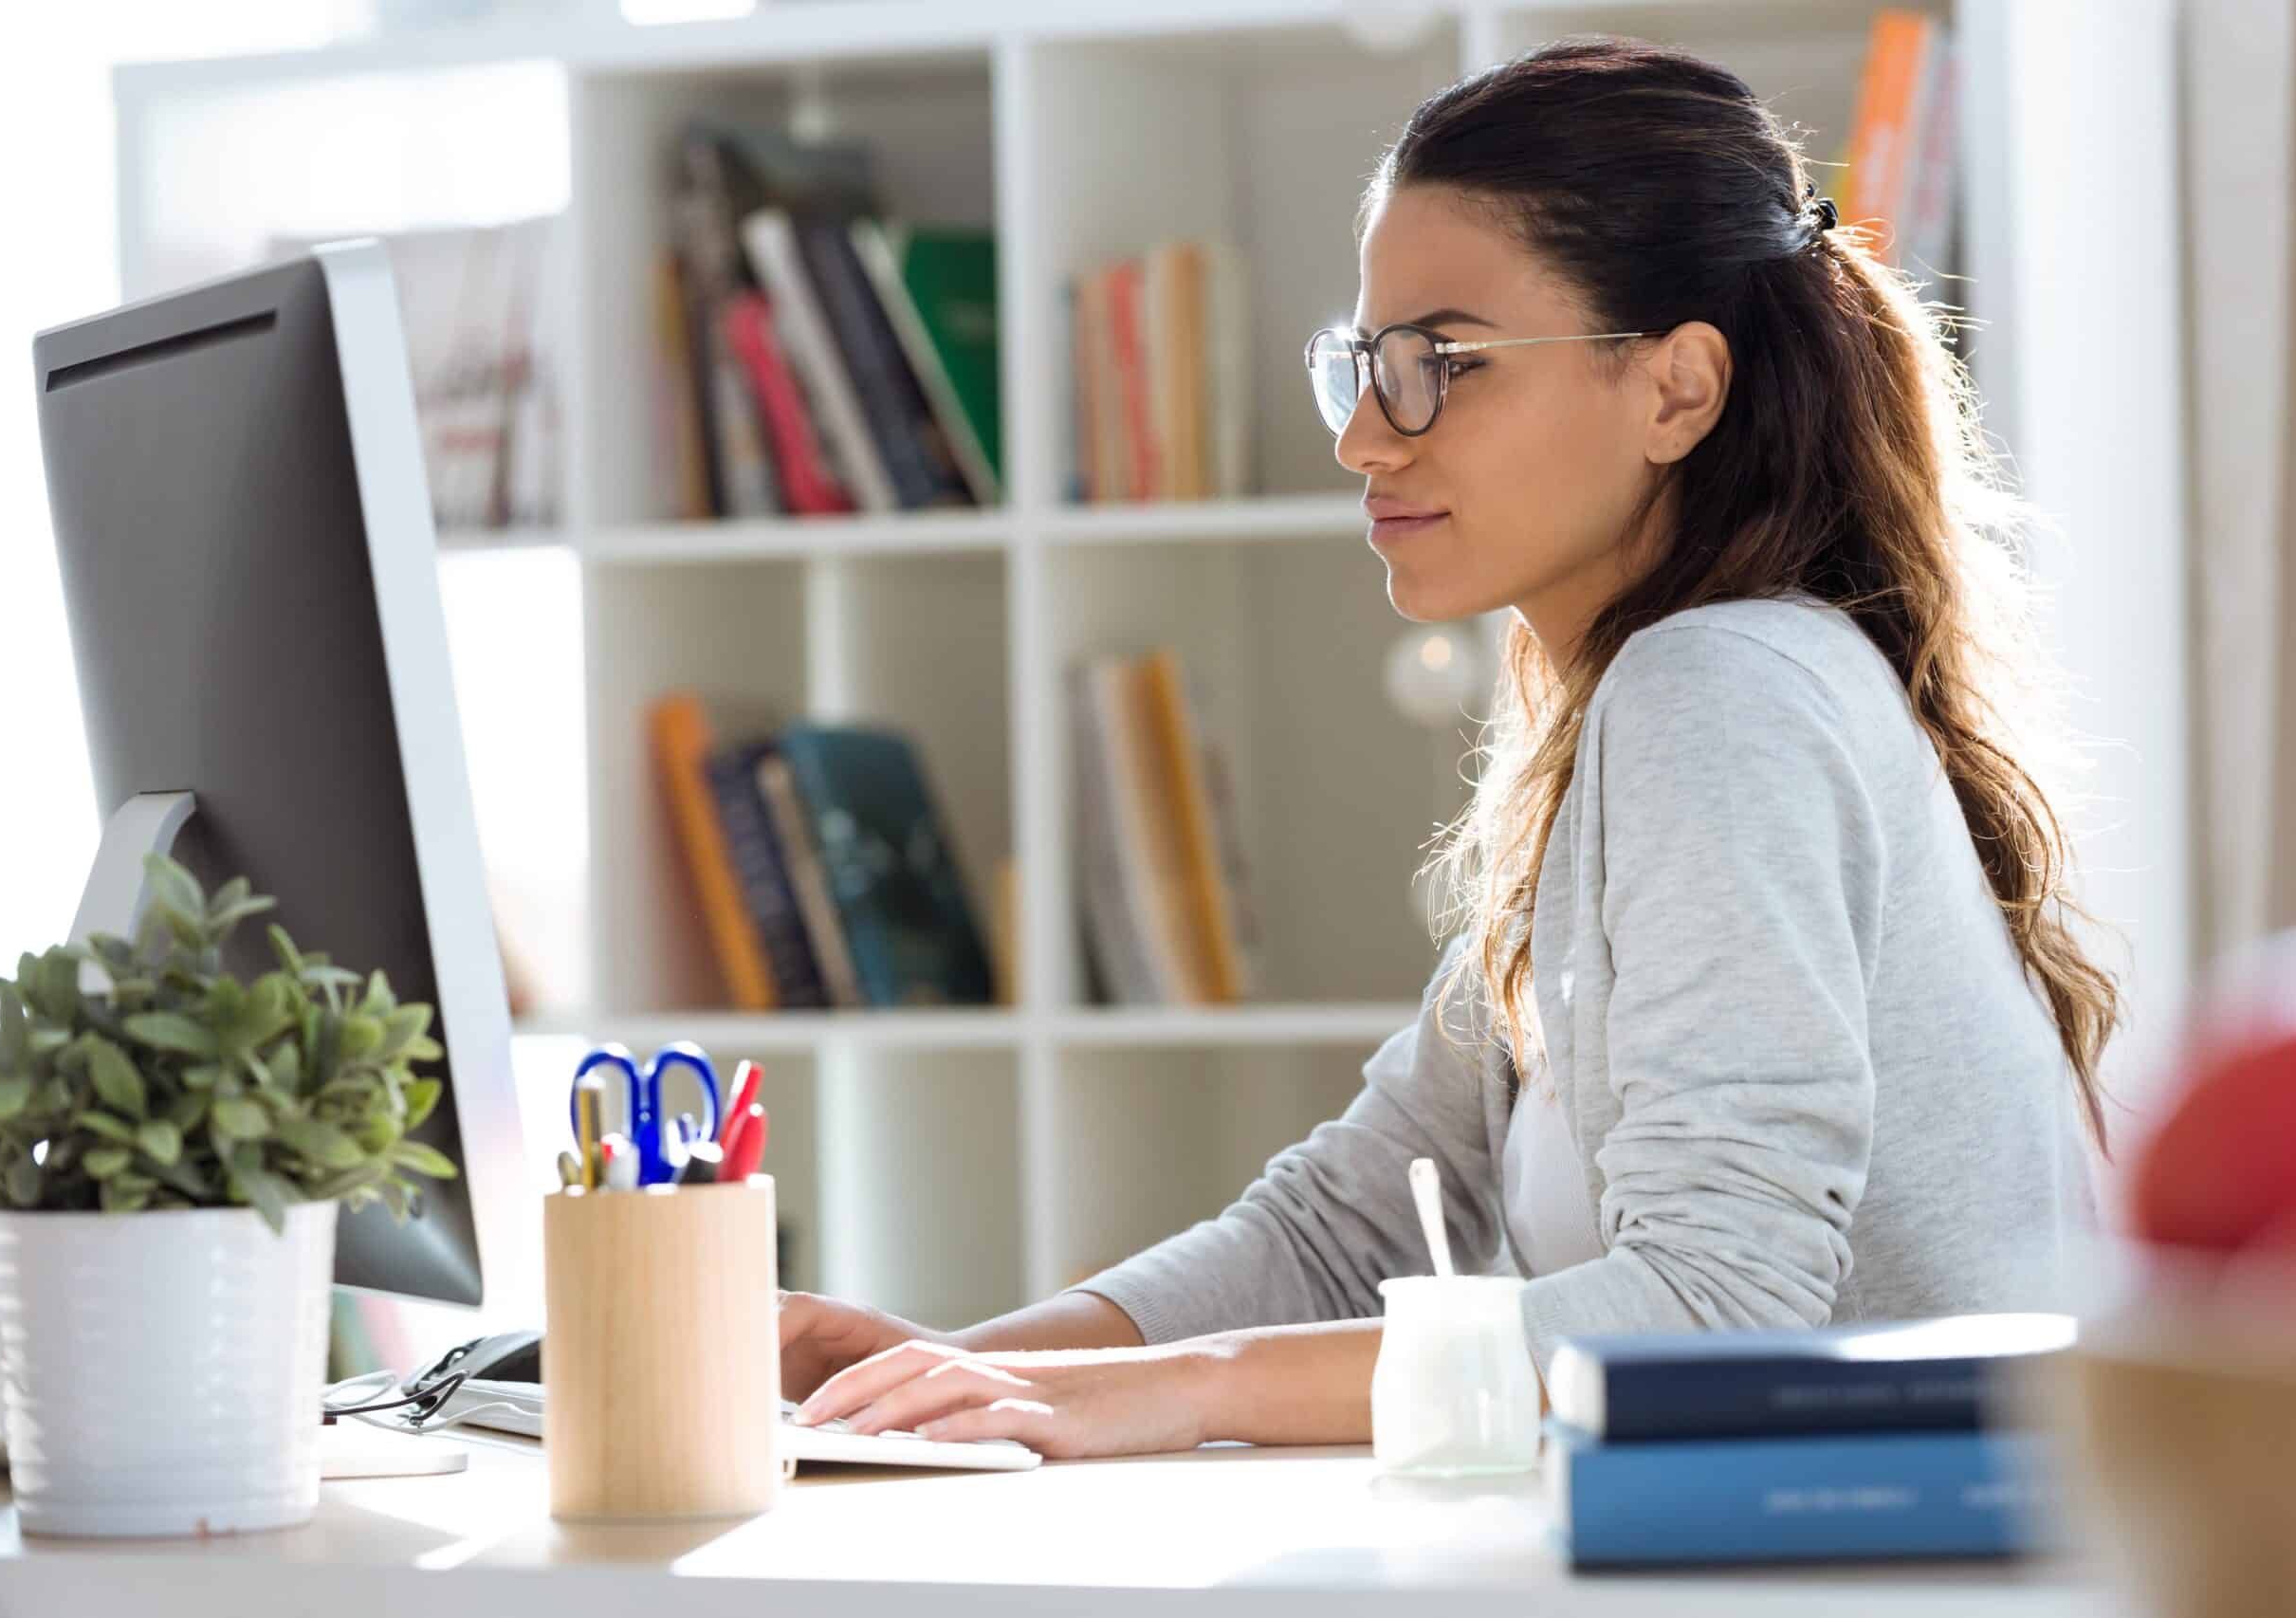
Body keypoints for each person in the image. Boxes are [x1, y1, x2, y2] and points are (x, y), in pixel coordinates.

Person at [779, 35, 2119, 1459]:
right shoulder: (1649, 712)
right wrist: (939, 1383)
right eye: (1363, 364)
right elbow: (1341, 1220)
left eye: (1443, 364)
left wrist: (1185, 1388)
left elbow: (1725, 1301)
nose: (1365, 434)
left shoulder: (1721, 692)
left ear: (1678, 390)